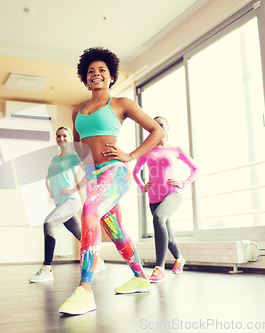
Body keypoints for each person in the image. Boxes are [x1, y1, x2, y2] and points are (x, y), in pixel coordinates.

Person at [58, 47, 165, 315]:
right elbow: (79, 147)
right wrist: (80, 180)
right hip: (94, 177)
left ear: (111, 77)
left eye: (102, 70)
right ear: (85, 77)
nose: (96, 74)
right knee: (115, 231)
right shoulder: (77, 110)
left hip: (115, 172)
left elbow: (157, 130)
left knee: (90, 211)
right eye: (91, 71)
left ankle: (85, 290)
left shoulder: (121, 103)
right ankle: (140, 277)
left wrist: (130, 155)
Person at [29, 126, 107, 282]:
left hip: (70, 201)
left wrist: (74, 188)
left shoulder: (73, 156)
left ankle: (47, 269)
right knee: (80, 235)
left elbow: (89, 172)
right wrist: (50, 190)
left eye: (64, 136)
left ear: (70, 138)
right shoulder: (54, 159)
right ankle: (98, 261)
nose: (61, 138)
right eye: (58, 136)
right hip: (60, 203)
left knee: (48, 223)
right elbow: (48, 177)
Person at [133, 116, 198, 282]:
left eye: (161, 124)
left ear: (167, 128)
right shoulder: (147, 150)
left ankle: (159, 268)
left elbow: (195, 169)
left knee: (159, 217)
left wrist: (183, 183)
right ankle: (179, 259)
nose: (158, 127)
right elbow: (135, 171)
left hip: (172, 194)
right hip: (154, 198)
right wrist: (142, 186)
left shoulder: (175, 149)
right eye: (154, 125)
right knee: (167, 235)